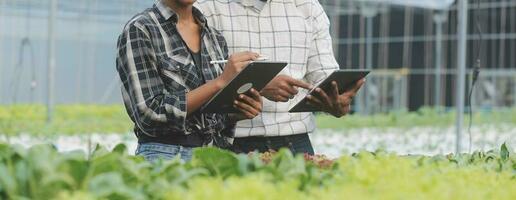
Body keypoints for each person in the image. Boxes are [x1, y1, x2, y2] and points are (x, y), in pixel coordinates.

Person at [196, 0, 365, 155]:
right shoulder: (208, 7)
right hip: (229, 142)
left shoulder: (308, 7)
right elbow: (193, 84)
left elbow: (323, 75)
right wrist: (258, 85)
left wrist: (336, 99)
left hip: (295, 142)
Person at [116, 0, 263, 162]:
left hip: (213, 155)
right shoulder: (141, 29)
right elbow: (150, 113)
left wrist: (236, 113)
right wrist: (219, 83)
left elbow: (211, 119)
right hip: (165, 156)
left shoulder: (214, 37)